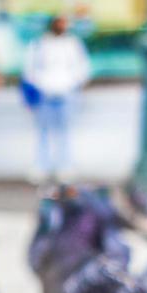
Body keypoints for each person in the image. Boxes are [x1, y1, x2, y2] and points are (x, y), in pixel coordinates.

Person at [22, 15, 90, 182]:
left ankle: (65, 165)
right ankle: (41, 165)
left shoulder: (73, 43)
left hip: (66, 93)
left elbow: (82, 67)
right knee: (43, 131)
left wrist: (71, 83)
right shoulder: (39, 44)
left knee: (64, 131)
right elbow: (29, 70)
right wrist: (41, 84)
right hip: (45, 94)